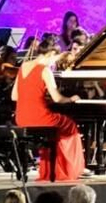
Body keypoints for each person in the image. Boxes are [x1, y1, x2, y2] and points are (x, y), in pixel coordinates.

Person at [12, 34, 85, 182]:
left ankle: (51, 168)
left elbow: (14, 96)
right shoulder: (45, 70)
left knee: (53, 130)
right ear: (51, 54)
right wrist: (71, 98)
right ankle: (66, 169)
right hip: (39, 117)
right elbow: (57, 98)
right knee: (69, 125)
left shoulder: (23, 66)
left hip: (21, 117)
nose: (54, 63)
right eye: (55, 59)